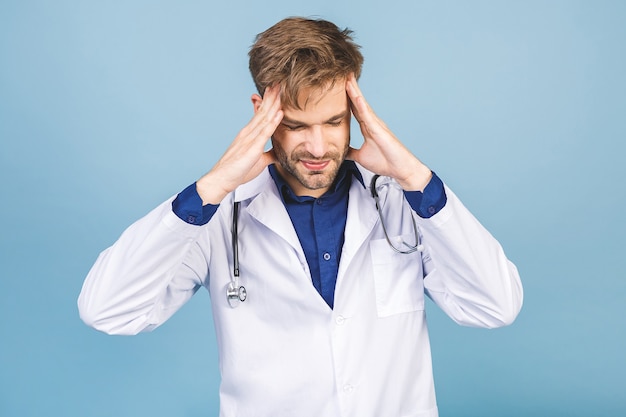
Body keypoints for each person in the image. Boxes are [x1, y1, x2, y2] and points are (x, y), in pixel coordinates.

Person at [78, 16, 523, 417]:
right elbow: (107, 311)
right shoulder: (218, 215)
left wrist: (415, 176)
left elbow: (496, 306)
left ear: (355, 113)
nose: (316, 147)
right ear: (262, 114)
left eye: (333, 122)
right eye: (296, 126)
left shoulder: (400, 204)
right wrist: (211, 187)